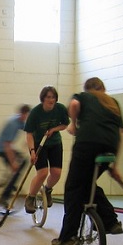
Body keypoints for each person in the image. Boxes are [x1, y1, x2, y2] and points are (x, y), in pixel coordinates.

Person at [53, 77, 123, 245]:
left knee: (73, 187)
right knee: (87, 184)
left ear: (87, 89)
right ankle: (111, 222)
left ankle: (69, 237)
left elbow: (74, 106)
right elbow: (121, 134)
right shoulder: (113, 103)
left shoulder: (84, 97)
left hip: (88, 144)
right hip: (110, 147)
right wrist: (115, 165)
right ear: (103, 88)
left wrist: (74, 126)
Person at [23, 86, 70, 214]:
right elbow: (29, 134)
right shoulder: (35, 113)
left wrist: (54, 129)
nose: (51, 100)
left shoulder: (60, 109)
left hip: (55, 143)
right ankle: (30, 198)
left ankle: (47, 189)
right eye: (48, 97)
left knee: (56, 173)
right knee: (43, 173)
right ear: (43, 98)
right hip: (38, 144)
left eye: (53, 97)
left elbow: (65, 124)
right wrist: (32, 151)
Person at [0, 104, 31, 204]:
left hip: (6, 148)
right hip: (2, 149)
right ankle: (5, 196)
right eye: (27, 116)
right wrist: (13, 163)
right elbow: (7, 146)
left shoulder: (20, 121)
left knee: (23, 162)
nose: (27, 119)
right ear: (22, 114)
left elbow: (28, 129)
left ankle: (10, 184)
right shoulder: (12, 124)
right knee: (17, 168)